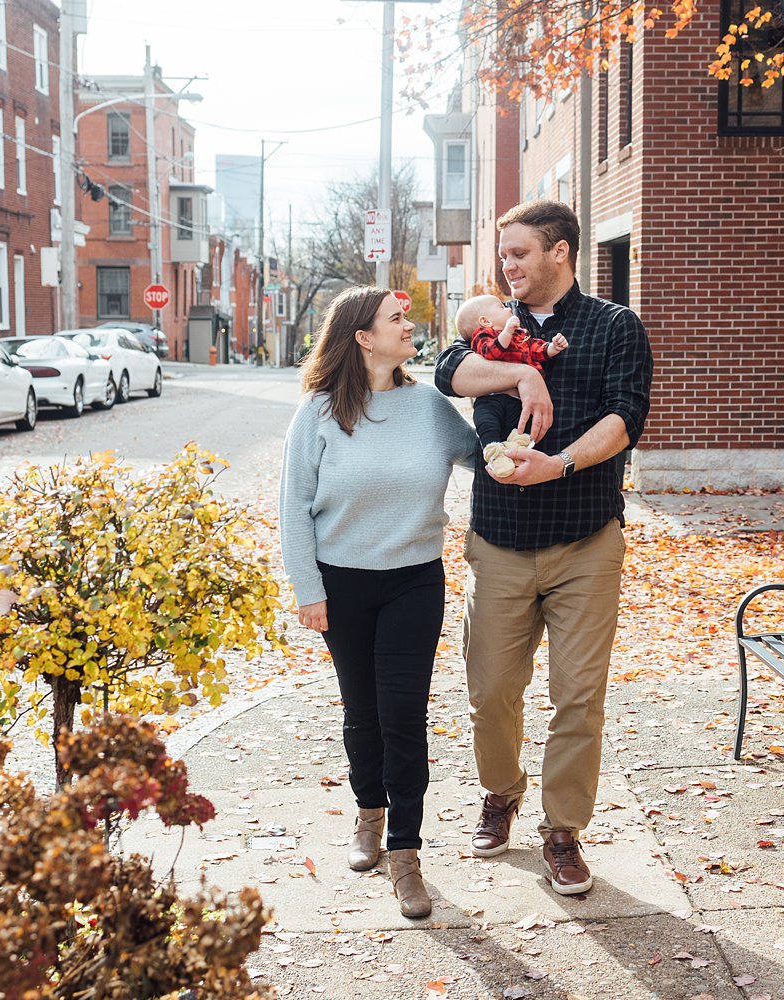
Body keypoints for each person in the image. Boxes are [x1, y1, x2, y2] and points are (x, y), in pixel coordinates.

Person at [434, 200, 653, 896]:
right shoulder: (492, 326)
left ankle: (563, 831)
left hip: (586, 537)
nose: (509, 266)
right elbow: (447, 371)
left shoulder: (616, 327)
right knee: (491, 688)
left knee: (577, 696)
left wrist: (558, 464)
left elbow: (627, 417)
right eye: (504, 255)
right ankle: (501, 792)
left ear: (561, 252)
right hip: (499, 539)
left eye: (520, 253)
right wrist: (522, 374)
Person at [279, 285, 481, 919]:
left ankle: (406, 853)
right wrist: (308, 590)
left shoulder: (429, 407)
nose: (409, 325)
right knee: (362, 709)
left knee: (402, 713)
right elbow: (293, 507)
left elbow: (485, 457)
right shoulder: (317, 412)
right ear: (364, 337)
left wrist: (522, 415)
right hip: (342, 584)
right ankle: (369, 811)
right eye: (397, 319)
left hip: (413, 580)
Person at [458, 292, 570, 370]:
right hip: (496, 396)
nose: (509, 308)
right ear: (485, 321)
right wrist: (506, 332)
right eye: (502, 307)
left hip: (525, 392)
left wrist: (551, 348)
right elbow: (490, 352)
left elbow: (533, 348)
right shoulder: (483, 336)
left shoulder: (518, 334)